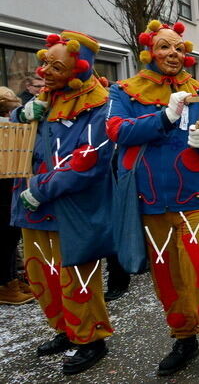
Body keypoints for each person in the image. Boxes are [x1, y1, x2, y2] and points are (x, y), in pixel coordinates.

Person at [107, 20, 199, 379]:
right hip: (151, 201)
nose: (173, 54)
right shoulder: (125, 91)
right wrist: (165, 117)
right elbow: (118, 130)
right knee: (167, 277)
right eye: (165, 47)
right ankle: (184, 338)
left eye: (179, 48)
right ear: (150, 51)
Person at [12, 32, 115, 374]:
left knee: (76, 276)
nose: (45, 71)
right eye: (44, 63)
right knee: (43, 272)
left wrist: (41, 188)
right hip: (33, 207)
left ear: (78, 67)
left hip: (71, 207)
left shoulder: (99, 105)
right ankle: (66, 329)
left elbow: (89, 160)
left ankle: (90, 337)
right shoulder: (45, 98)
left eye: (56, 66)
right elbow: (18, 140)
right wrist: (23, 116)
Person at [0, 87, 32, 306]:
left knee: (11, 236)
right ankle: (5, 285)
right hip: (3, 185)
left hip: (9, 184)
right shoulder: (5, 127)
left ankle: (11, 279)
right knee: (5, 237)